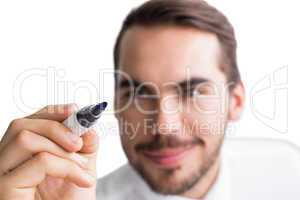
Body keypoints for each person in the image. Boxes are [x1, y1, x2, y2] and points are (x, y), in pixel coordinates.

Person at [2, 0, 295, 199]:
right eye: (139, 95)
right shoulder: (77, 197)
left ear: (236, 101)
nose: (164, 126)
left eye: (192, 92)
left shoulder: (289, 172)